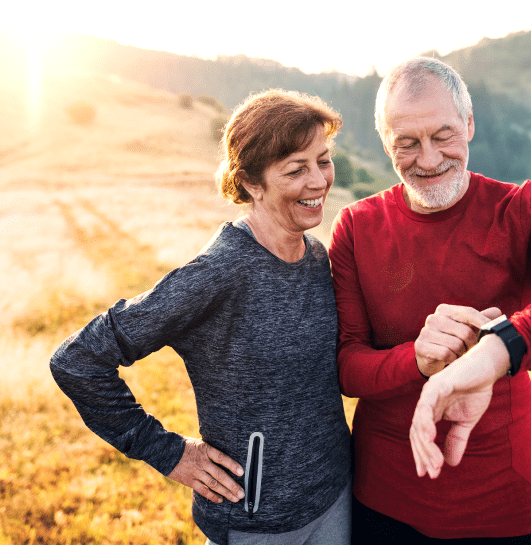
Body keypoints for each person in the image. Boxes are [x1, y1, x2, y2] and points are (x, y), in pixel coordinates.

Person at [328, 57, 531, 543]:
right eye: (407, 143)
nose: (427, 159)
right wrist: (418, 361)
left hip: (498, 506)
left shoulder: (525, 210)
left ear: (469, 124)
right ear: (386, 143)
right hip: (381, 499)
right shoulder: (357, 226)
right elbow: (348, 367)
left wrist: (499, 347)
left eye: (443, 135)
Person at [50, 89, 352, 545]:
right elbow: (77, 359)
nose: (319, 181)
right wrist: (169, 453)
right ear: (252, 183)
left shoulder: (315, 257)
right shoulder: (218, 273)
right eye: (296, 169)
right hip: (254, 526)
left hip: (336, 501)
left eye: (323, 161)